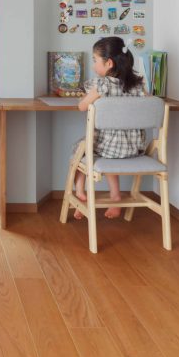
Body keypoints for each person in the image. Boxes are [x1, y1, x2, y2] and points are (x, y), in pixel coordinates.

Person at [72, 36, 148, 220]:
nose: (93, 65)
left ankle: (80, 192)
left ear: (109, 63)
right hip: (134, 149)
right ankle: (115, 196)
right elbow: (149, 103)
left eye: (95, 60)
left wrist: (85, 97)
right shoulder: (138, 86)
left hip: (109, 149)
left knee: (80, 148)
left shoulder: (102, 85)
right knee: (109, 146)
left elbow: (82, 106)